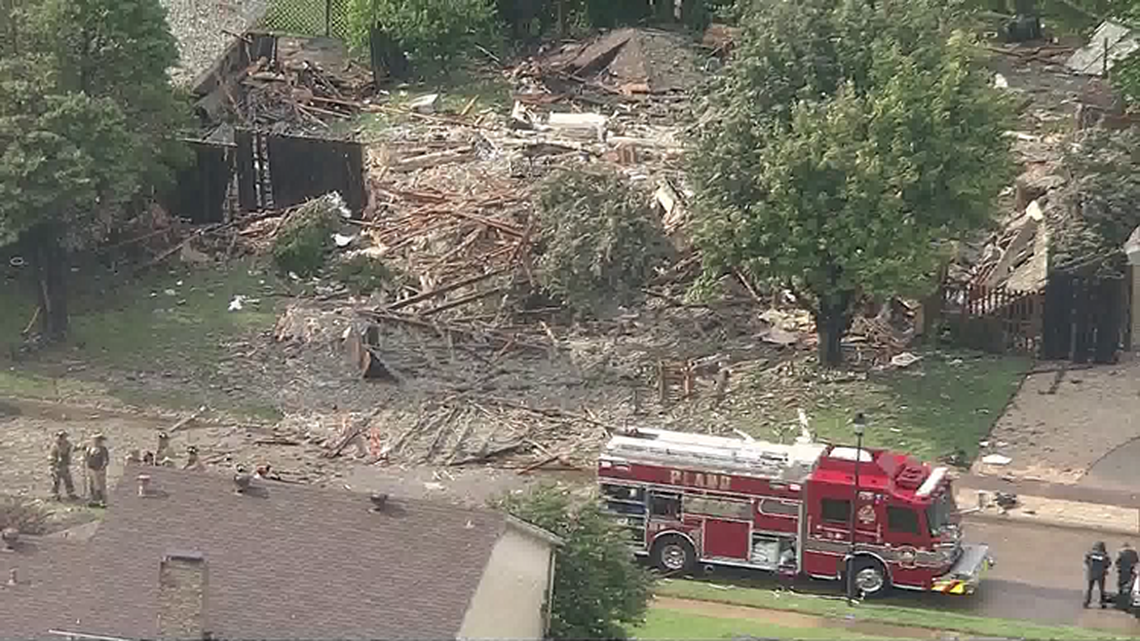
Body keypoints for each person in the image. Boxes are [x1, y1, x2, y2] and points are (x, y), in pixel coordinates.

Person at [49, 431, 78, 501]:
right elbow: (51, 456)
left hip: (65, 465)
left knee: (68, 480)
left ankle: (71, 493)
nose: (63, 438)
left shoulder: (68, 444)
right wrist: (53, 466)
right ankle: (55, 494)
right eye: (61, 437)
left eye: (64, 436)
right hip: (57, 466)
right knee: (56, 481)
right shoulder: (55, 446)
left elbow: (72, 449)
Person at [84, 434, 110, 508]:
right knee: (92, 485)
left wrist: (102, 468)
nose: (98, 442)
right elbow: (87, 457)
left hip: (99, 470)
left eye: (99, 441)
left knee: (100, 486)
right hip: (91, 469)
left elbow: (106, 460)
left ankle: (102, 501)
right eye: (96, 440)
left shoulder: (103, 449)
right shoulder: (90, 448)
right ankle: (94, 500)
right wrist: (85, 459)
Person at [1085, 541, 1110, 608]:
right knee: (1101, 589)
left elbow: (1086, 561)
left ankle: (1087, 602)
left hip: (1091, 573)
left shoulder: (1090, 554)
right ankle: (1102, 603)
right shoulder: (1105, 555)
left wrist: (1091, 567)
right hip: (1101, 574)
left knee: (1090, 589)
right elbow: (1108, 563)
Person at [1117, 542, 1139, 609]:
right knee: (1130, 588)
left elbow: (1117, 562)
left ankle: (1121, 603)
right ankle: (1128, 603)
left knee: (1121, 587)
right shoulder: (1134, 553)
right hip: (1131, 572)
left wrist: (1119, 568)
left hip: (1123, 573)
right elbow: (1136, 562)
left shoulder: (1122, 553)